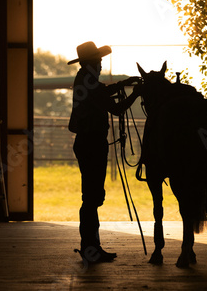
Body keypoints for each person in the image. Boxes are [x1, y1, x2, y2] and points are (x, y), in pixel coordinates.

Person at [68, 41, 141, 264]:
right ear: (90, 64)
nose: (100, 65)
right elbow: (116, 109)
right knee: (92, 198)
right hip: (92, 143)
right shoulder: (89, 81)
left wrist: (123, 84)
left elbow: (102, 92)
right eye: (98, 61)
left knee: (91, 197)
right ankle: (91, 249)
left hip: (88, 142)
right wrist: (135, 93)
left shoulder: (84, 79)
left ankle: (92, 247)